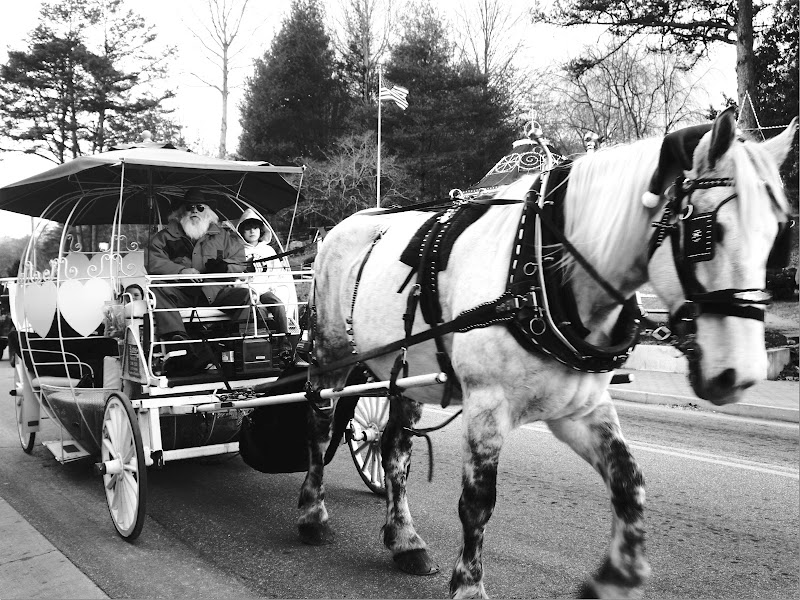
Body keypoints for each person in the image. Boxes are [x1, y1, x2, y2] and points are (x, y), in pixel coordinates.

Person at [147, 188, 256, 374]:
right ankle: (179, 343)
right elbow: (153, 261)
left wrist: (225, 267)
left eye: (200, 207)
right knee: (157, 288)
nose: (195, 211)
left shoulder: (224, 237)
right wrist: (180, 271)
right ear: (181, 212)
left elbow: (240, 261)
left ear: (208, 211)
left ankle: (233, 345)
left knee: (246, 295)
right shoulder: (164, 237)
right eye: (190, 207)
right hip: (181, 293)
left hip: (216, 292)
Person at [235, 208, 289, 335]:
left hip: (265, 290)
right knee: (258, 310)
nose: (252, 231)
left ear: (261, 230)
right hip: (248, 292)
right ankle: (263, 343)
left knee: (278, 305)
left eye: (255, 228)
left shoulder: (268, 250)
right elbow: (235, 274)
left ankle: (284, 342)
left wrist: (272, 287)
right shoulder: (237, 250)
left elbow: (277, 272)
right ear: (242, 232)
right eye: (248, 228)